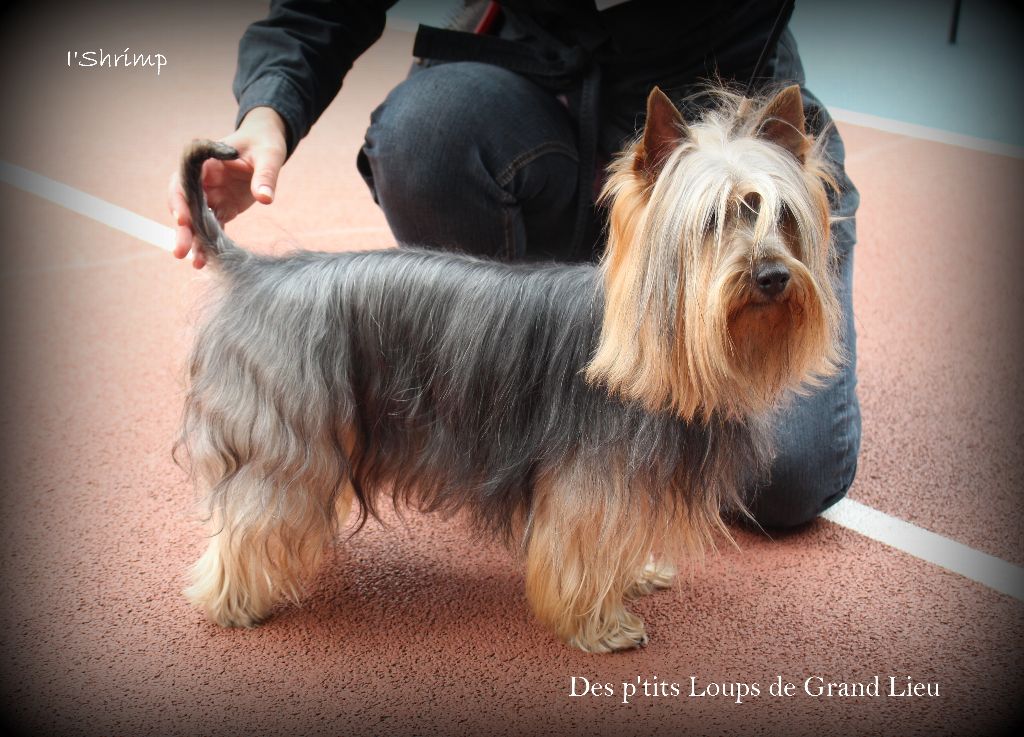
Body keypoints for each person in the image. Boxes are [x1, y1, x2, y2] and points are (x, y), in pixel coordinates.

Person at [167, 0, 861, 528]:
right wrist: (269, 110)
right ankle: (515, 424)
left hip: (728, 100)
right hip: (537, 92)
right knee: (427, 134)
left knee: (783, 476)